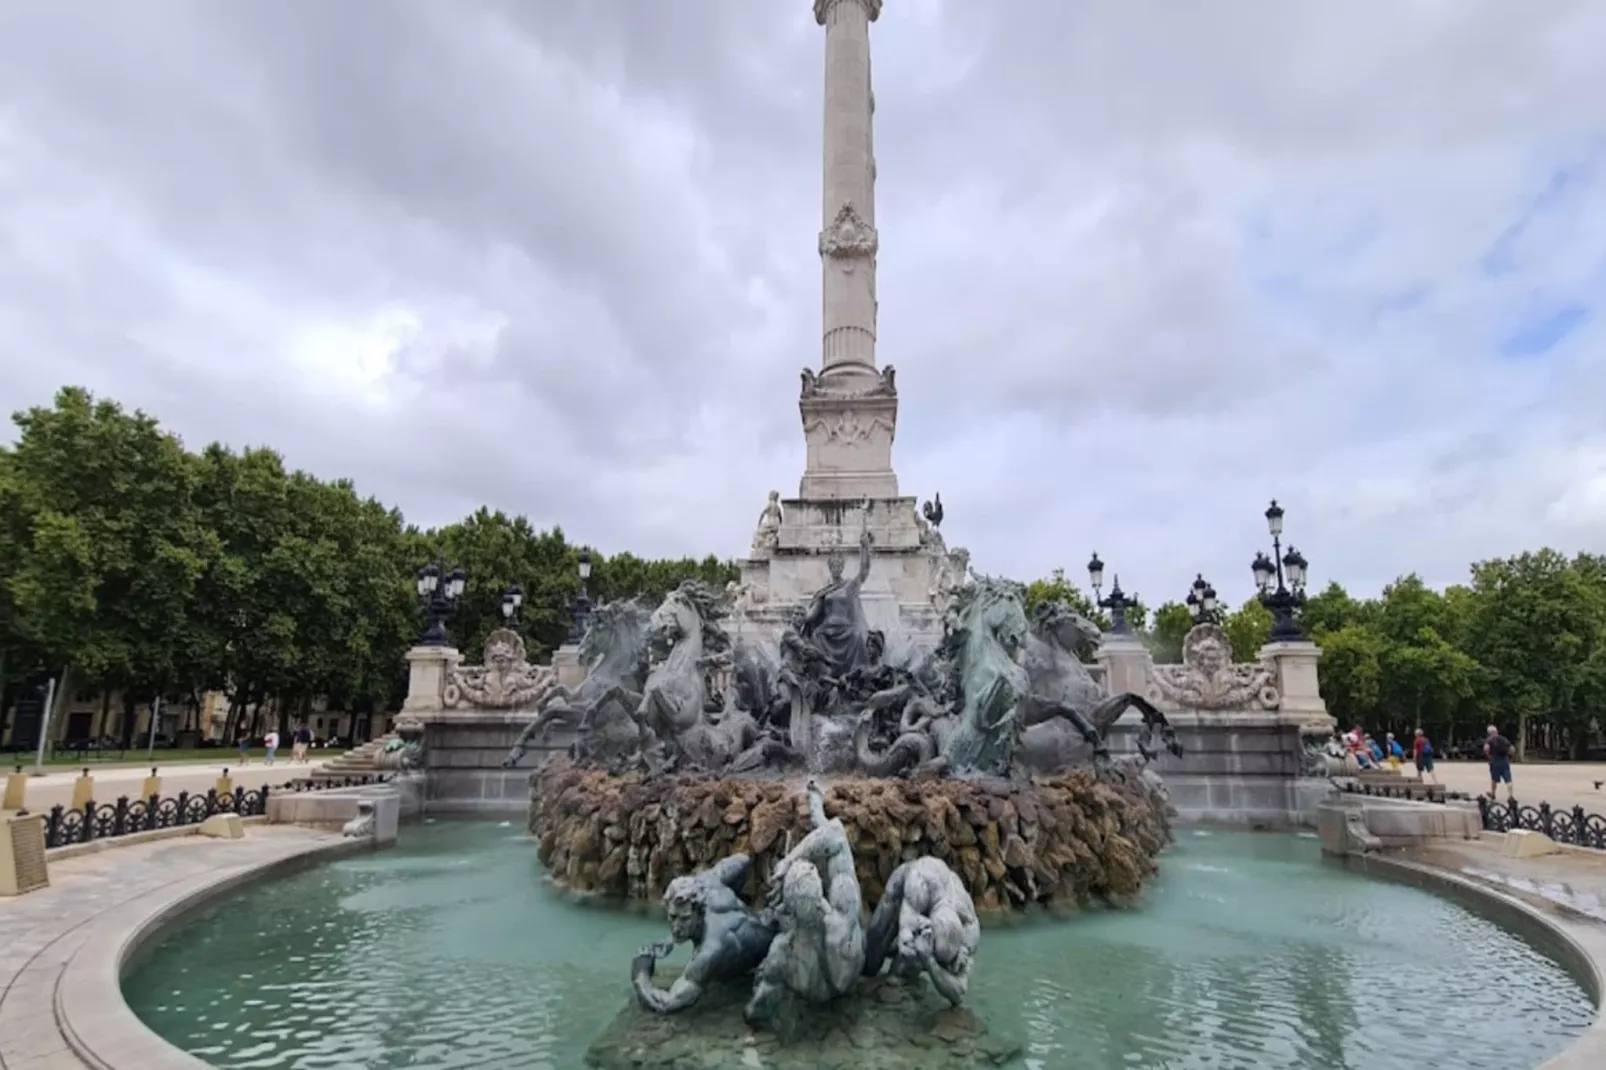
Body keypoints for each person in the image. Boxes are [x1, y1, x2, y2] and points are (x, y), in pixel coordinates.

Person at [1485, 724, 1514, 800]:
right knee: (1508, 779)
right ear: (1496, 731)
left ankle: (1493, 794)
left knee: (1494, 779)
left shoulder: (1489, 740)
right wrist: (1509, 756)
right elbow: (1512, 749)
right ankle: (1510, 795)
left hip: (1495, 761)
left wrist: (1489, 756)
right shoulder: (1503, 739)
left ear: (1489, 732)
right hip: (1504, 760)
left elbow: (1486, 749)